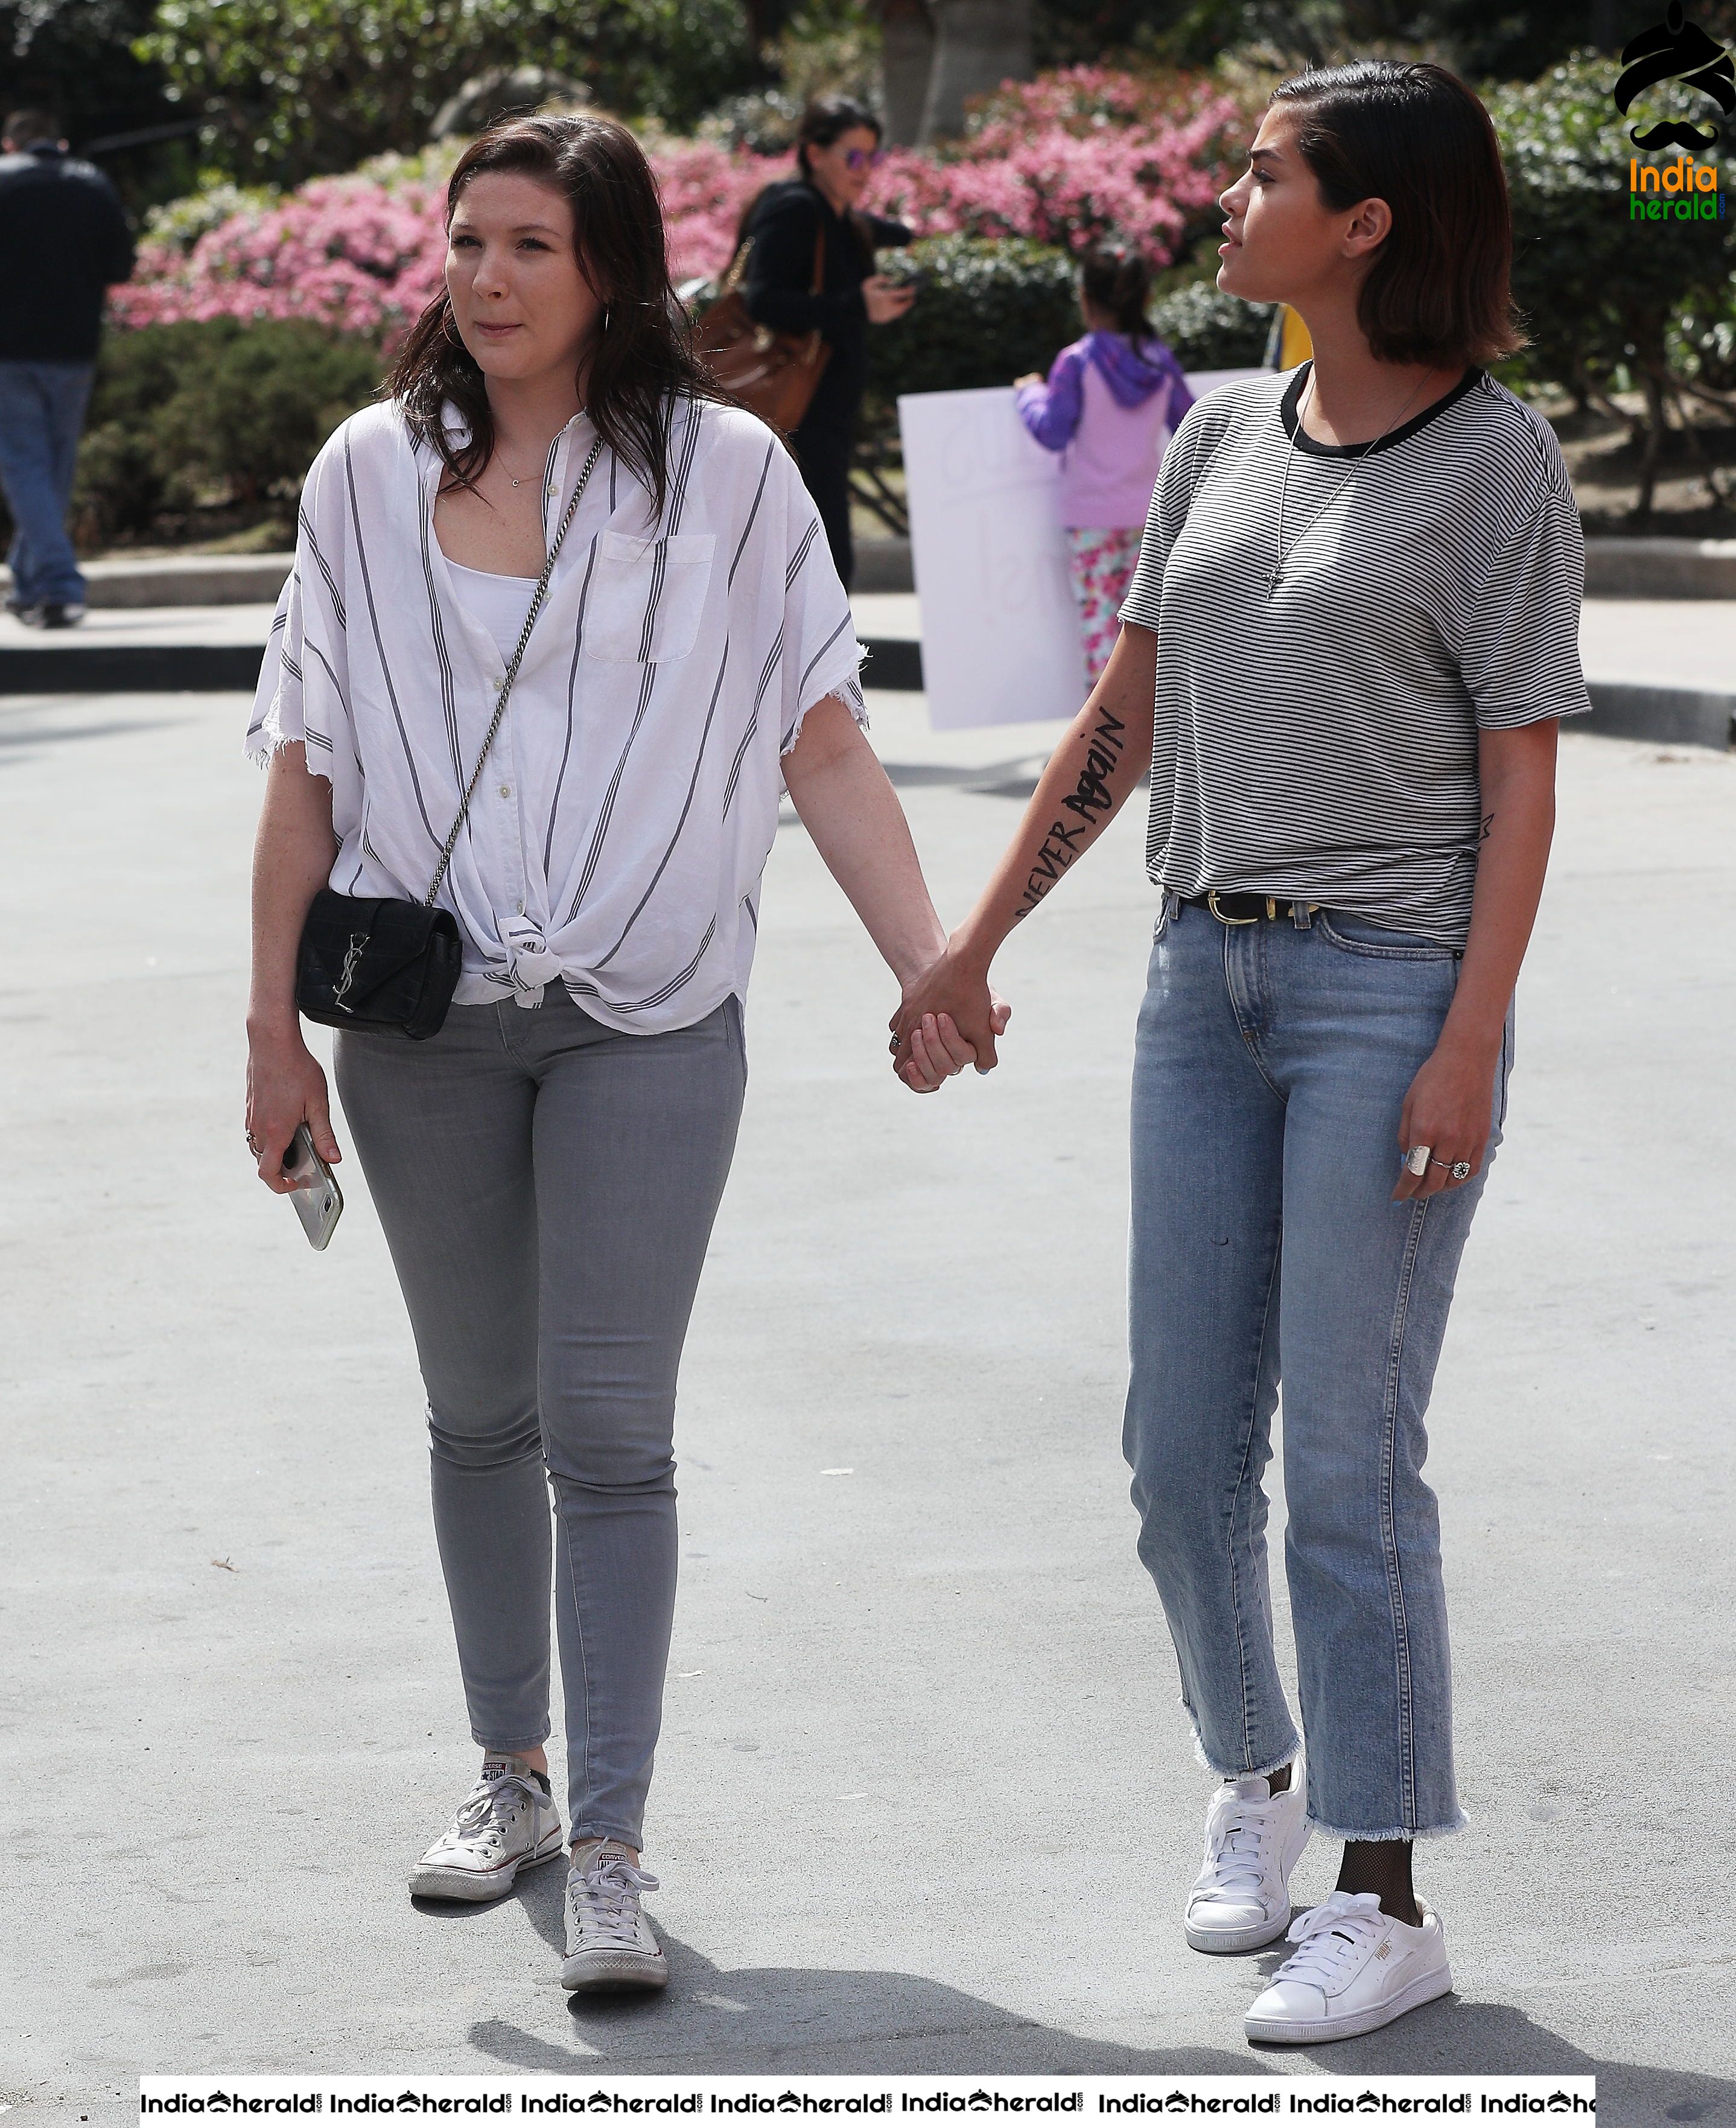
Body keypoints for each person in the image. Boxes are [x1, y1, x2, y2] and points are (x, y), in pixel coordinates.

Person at [245, 113, 994, 1999]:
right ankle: (505, 1770)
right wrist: (271, 1030)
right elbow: (304, 765)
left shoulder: (727, 480)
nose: (485, 279)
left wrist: (928, 957)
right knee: (474, 1410)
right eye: (465, 242)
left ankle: (613, 1841)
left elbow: (820, 739)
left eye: (527, 246)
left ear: (607, 274)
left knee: (610, 1431)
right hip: (419, 1026)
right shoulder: (361, 475)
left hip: (648, 1006)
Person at [893, 60, 1589, 2046]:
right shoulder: (1211, 433)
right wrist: (971, 936)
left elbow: (1521, 790)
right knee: (1177, 1455)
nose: (1223, 196)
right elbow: (1126, 713)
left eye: (1261, 172)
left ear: (1362, 221)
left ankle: (1381, 1888)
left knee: (1347, 1467)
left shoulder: (1493, 461)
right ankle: (1257, 1775)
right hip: (1199, 982)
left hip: (1389, 992)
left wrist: (1466, 1040)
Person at [740, 95, 914, 588]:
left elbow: (885, 231)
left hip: (824, 417)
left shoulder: (838, 216)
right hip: (794, 417)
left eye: (873, 158)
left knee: (820, 563)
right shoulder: (794, 209)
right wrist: (858, 307)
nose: (865, 170)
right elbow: (763, 301)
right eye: (853, 157)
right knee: (822, 564)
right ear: (814, 154)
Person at [1013, 243, 1195, 684]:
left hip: (1091, 519)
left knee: (1101, 632)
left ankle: (1106, 742)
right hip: (1151, 517)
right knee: (1149, 631)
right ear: (1144, 299)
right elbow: (1190, 425)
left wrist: (1028, 394)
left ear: (1085, 299)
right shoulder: (1159, 361)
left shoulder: (1076, 362)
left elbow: (1052, 432)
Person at [0, 109, 134, 629]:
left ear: (11, 145)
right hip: (75, 348)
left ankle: (58, 584)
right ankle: (30, 579)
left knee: (27, 466)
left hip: (10, 352)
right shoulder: (92, 185)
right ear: (60, 143)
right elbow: (120, 265)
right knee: (53, 468)